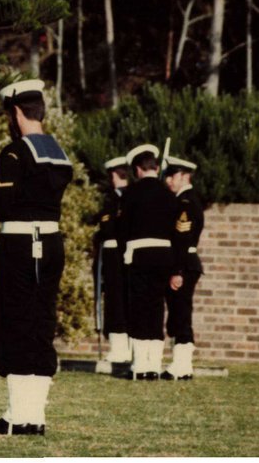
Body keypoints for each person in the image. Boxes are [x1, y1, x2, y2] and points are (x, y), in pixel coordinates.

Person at [0, 79, 73, 436]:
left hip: (20, 244)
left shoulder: (16, 152)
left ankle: (16, 417)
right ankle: (35, 416)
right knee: (40, 325)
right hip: (51, 243)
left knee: (15, 323)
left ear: (16, 112)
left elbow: (4, 204)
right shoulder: (58, 153)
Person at [114, 144, 178, 381]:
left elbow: (123, 229)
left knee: (139, 308)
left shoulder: (130, 194)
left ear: (138, 169)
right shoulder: (169, 194)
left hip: (139, 255)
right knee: (156, 307)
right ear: (157, 168)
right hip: (164, 256)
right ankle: (154, 363)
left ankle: (140, 364)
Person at [162, 156, 205, 380]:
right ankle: (182, 364)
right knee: (179, 313)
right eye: (167, 175)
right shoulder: (182, 200)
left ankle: (182, 364)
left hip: (184, 265)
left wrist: (176, 271)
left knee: (180, 313)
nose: (169, 180)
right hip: (184, 264)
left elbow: (182, 238)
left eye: (173, 175)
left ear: (185, 176)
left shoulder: (185, 203)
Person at [93, 156, 132, 363]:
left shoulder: (118, 199)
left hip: (116, 254)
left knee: (116, 300)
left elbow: (108, 228)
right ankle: (124, 346)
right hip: (121, 254)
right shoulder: (124, 197)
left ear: (114, 176)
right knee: (120, 299)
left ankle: (120, 348)